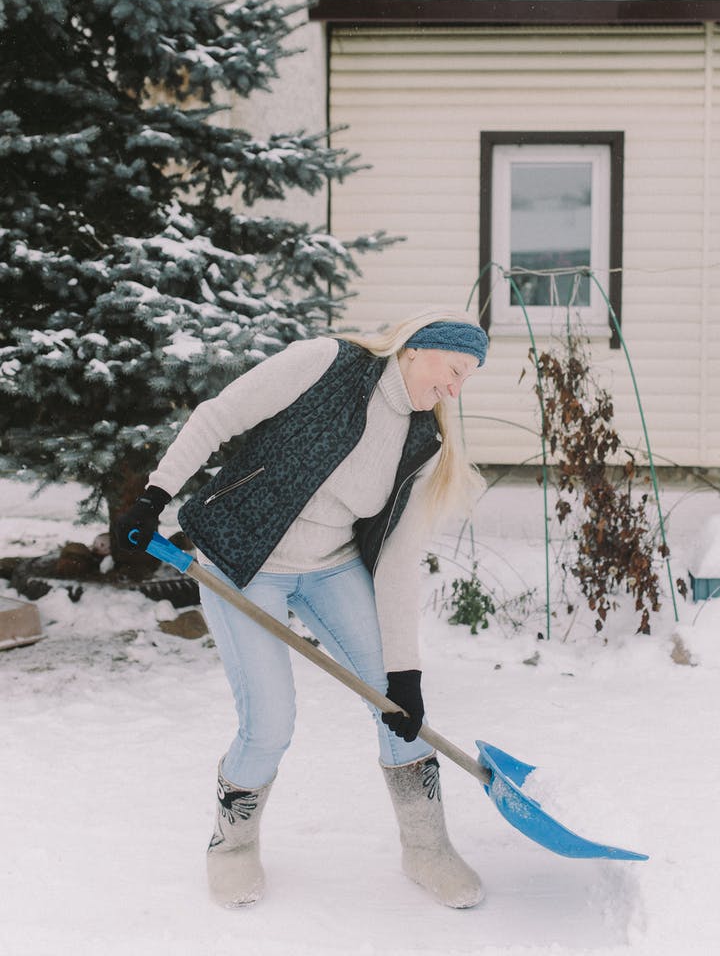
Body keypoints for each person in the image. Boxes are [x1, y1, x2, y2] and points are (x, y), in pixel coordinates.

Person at [114, 311, 489, 911]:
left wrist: (406, 673)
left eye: (468, 379)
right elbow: (218, 416)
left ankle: (427, 846)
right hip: (240, 559)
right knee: (269, 722)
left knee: (399, 709)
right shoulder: (326, 363)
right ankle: (231, 846)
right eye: (455, 369)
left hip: (331, 566)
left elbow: (395, 562)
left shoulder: (424, 441)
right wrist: (154, 497)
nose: (456, 389)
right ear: (416, 348)